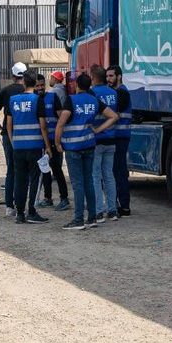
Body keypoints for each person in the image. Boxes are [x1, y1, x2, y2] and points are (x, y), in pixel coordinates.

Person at [53, 73, 115, 229]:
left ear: (77, 85)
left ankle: (79, 219)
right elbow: (113, 116)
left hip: (73, 148)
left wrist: (57, 143)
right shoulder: (94, 101)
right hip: (89, 145)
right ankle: (92, 217)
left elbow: (61, 123)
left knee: (78, 183)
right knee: (89, 182)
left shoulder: (71, 100)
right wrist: (98, 129)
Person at [3, 73, 48, 223]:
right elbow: (42, 126)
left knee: (20, 180)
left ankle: (20, 213)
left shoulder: (13, 100)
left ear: (23, 83)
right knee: (35, 179)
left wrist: (13, 141)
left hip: (18, 147)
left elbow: (9, 125)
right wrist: (48, 146)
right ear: (35, 85)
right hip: (35, 146)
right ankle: (32, 211)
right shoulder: (37, 100)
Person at [0, 62, 27, 210]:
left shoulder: (5, 91)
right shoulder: (30, 91)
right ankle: (26, 205)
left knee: (11, 170)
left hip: (8, 134)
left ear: (13, 76)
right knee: (26, 171)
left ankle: (9, 206)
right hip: (28, 135)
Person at [90, 66, 122, 221]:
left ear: (94, 78)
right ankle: (112, 209)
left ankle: (98, 210)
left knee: (95, 176)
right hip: (111, 138)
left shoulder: (92, 93)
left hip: (97, 139)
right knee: (109, 175)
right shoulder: (113, 93)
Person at [36, 71, 69, 210]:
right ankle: (47, 198)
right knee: (44, 170)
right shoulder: (33, 99)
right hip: (39, 141)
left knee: (56, 169)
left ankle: (64, 199)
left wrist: (58, 139)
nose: (40, 88)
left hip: (53, 140)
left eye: (42, 85)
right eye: (37, 86)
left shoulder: (52, 97)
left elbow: (61, 117)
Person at [105, 65, 133, 216]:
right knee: (116, 171)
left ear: (119, 76)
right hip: (118, 136)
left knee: (119, 171)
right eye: (107, 76)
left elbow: (114, 113)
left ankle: (124, 206)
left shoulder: (121, 93)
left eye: (111, 76)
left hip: (120, 137)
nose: (108, 79)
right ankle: (120, 204)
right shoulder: (117, 92)